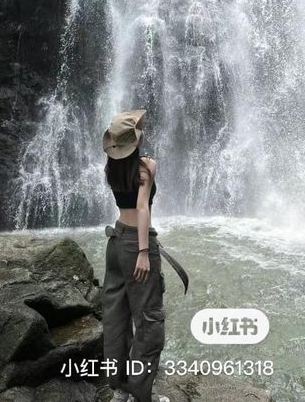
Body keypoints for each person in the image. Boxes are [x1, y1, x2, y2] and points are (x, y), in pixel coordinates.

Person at [101, 109, 169, 402]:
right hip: (135, 245)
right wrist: (144, 251)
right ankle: (141, 394)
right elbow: (143, 208)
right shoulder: (147, 166)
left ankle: (118, 388)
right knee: (149, 323)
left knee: (116, 317)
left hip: (114, 244)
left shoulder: (110, 169)